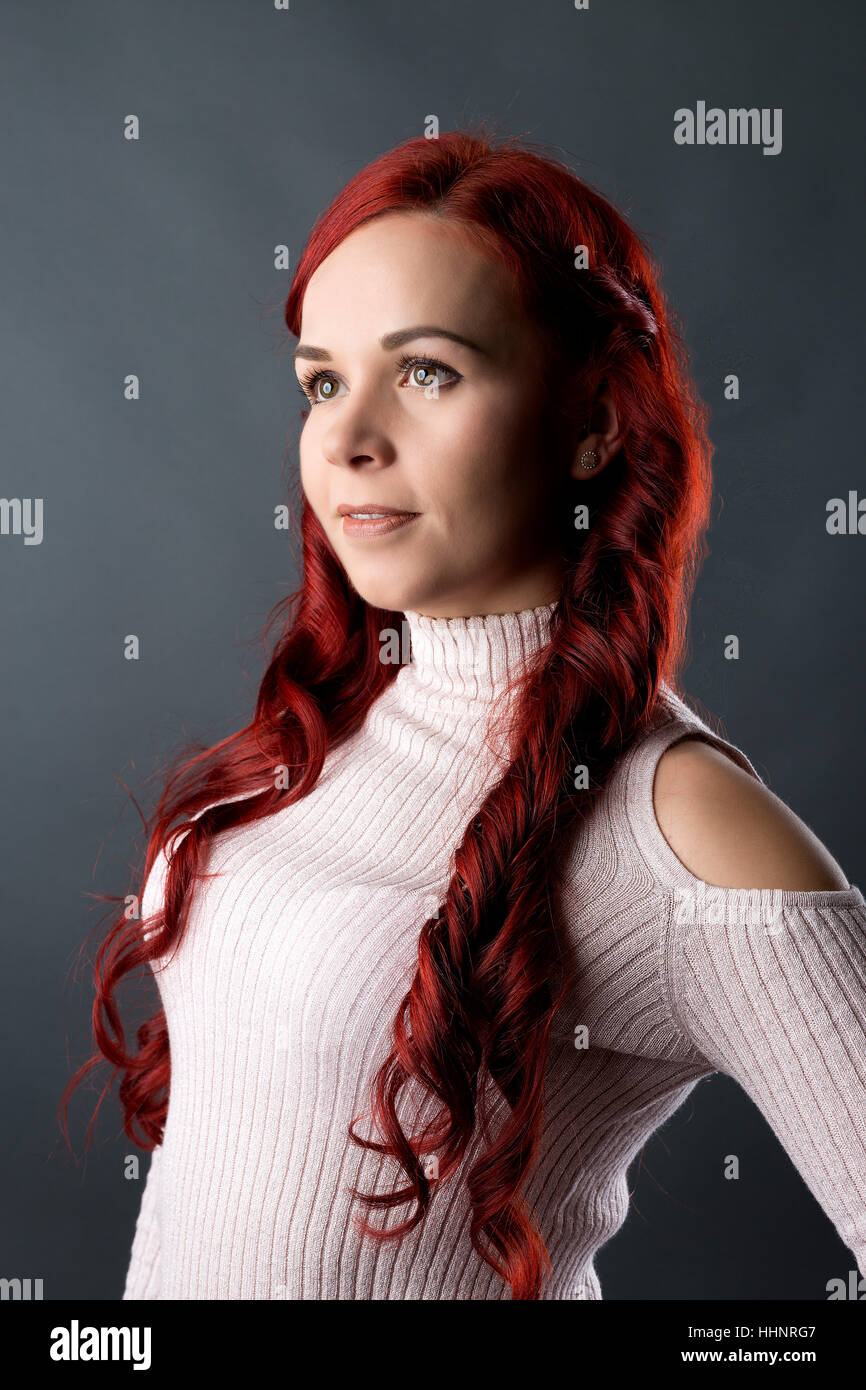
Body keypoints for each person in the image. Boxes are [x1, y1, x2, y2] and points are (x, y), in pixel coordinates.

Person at [63, 127, 865, 1301]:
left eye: (426, 371)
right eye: (323, 382)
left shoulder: (674, 815)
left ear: (592, 421)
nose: (344, 439)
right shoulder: (331, 725)